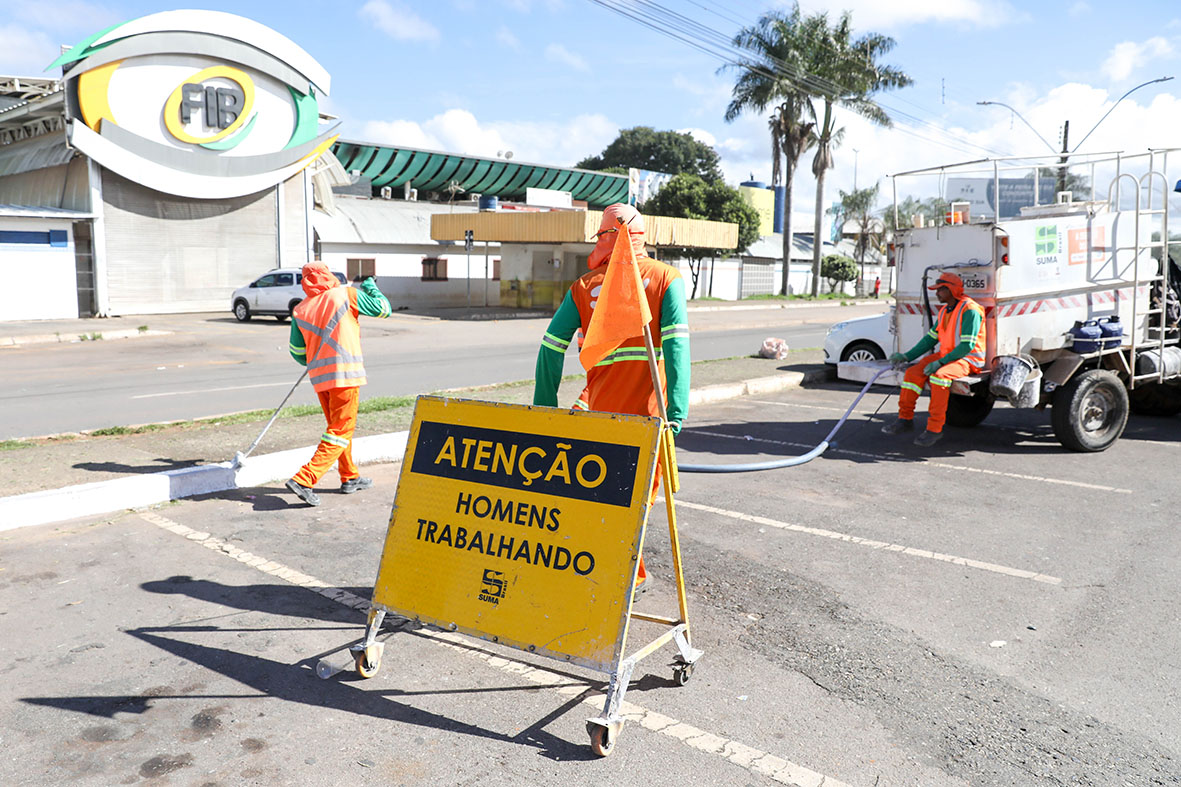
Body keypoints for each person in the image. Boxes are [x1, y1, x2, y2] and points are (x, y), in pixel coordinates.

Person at [533, 203, 690, 593]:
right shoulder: (667, 279)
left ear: (605, 237)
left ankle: (608, 569)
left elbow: (551, 346)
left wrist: (544, 406)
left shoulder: (584, 287)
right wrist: (677, 412)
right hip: (650, 418)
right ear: (641, 235)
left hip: (601, 416)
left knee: (602, 498)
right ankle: (623, 577)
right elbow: (677, 350)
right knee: (635, 503)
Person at [285, 263, 391, 506]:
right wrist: (371, 287)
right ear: (328, 275)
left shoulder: (300, 310)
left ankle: (349, 477)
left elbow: (297, 351)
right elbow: (384, 309)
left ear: (305, 282)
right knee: (341, 429)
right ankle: (305, 479)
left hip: (320, 379)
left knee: (337, 429)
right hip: (345, 374)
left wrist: (314, 359)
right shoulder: (347, 294)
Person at [881, 271, 985, 447]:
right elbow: (930, 339)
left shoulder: (970, 309)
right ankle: (905, 419)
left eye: (939, 290)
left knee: (939, 377)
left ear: (951, 290)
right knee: (913, 373)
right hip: (947, 356)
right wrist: (906, 356)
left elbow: (967, 346)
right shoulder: (946, 310)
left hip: (968, 359)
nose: (936, 293)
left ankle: (934, 429)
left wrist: (940, 363)